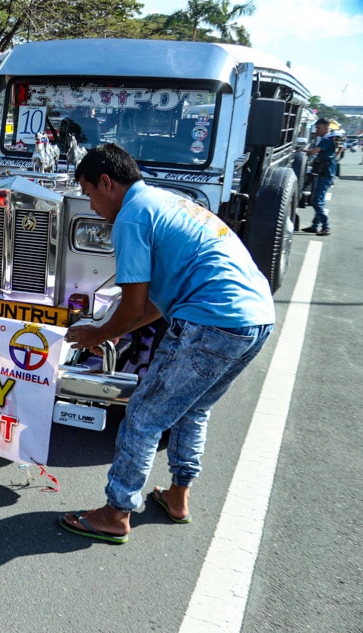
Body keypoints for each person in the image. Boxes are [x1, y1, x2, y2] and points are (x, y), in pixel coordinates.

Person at [59, 144, 275, 544]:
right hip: (256, 316)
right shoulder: (166, 202)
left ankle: (116, 511)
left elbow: (135, 303)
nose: (91, 206)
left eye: (90, 193)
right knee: (192, 408)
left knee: (143, 415)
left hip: (212, 321)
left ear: (107, 182)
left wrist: (98, 333)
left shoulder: (131, 217)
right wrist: (115, 329)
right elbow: (157, 303)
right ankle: (178, 497)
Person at [300, 118, 337, 236]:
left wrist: (301, 150)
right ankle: (315, 226)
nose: (316, 130)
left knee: (317, 202)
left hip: (325, 172)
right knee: (318, 200)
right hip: (324, 171)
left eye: (318, 128)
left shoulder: (326, 139)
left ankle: (326, 227)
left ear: (326, 127)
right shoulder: (329, 137)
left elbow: (313, 152)